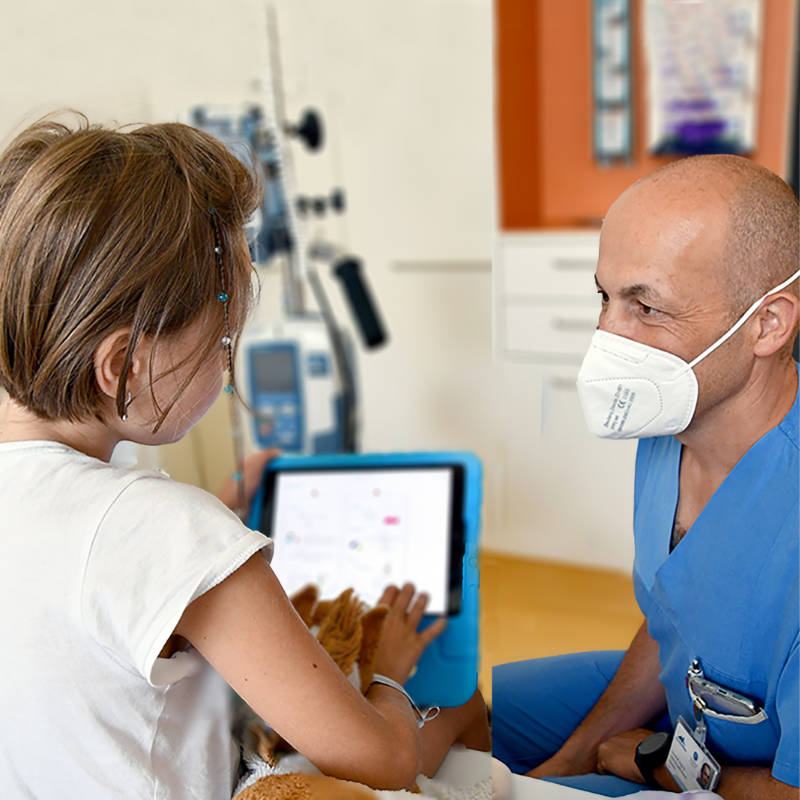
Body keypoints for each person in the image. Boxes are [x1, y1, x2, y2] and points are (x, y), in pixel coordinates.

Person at [0, 114, 489, 799]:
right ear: (122, 364)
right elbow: (381, 761)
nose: (228, 367)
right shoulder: (164, 529)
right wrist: (389, 673)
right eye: (224, 342)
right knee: (460, 705)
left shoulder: (109, 516)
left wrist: (213, 526)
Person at [492, 154, 799, 799]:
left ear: (767, 324)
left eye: (647, 307)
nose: (609, 337)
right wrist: (568, 764)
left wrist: (647, 764)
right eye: (605, 297)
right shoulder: (673, 424)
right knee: (459, 715)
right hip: (687, 702)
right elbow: (674, 620)